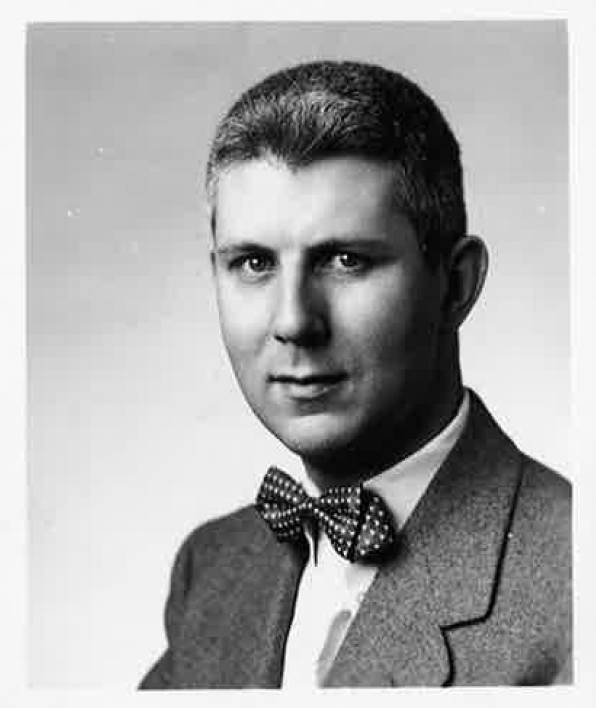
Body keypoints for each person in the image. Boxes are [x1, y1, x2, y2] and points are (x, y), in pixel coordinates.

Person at [139, 60, 571, 688]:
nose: (293, 321)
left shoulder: (572, 578)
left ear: (455, 285)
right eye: (254, 263)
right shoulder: (213, 567)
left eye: (345, 260)